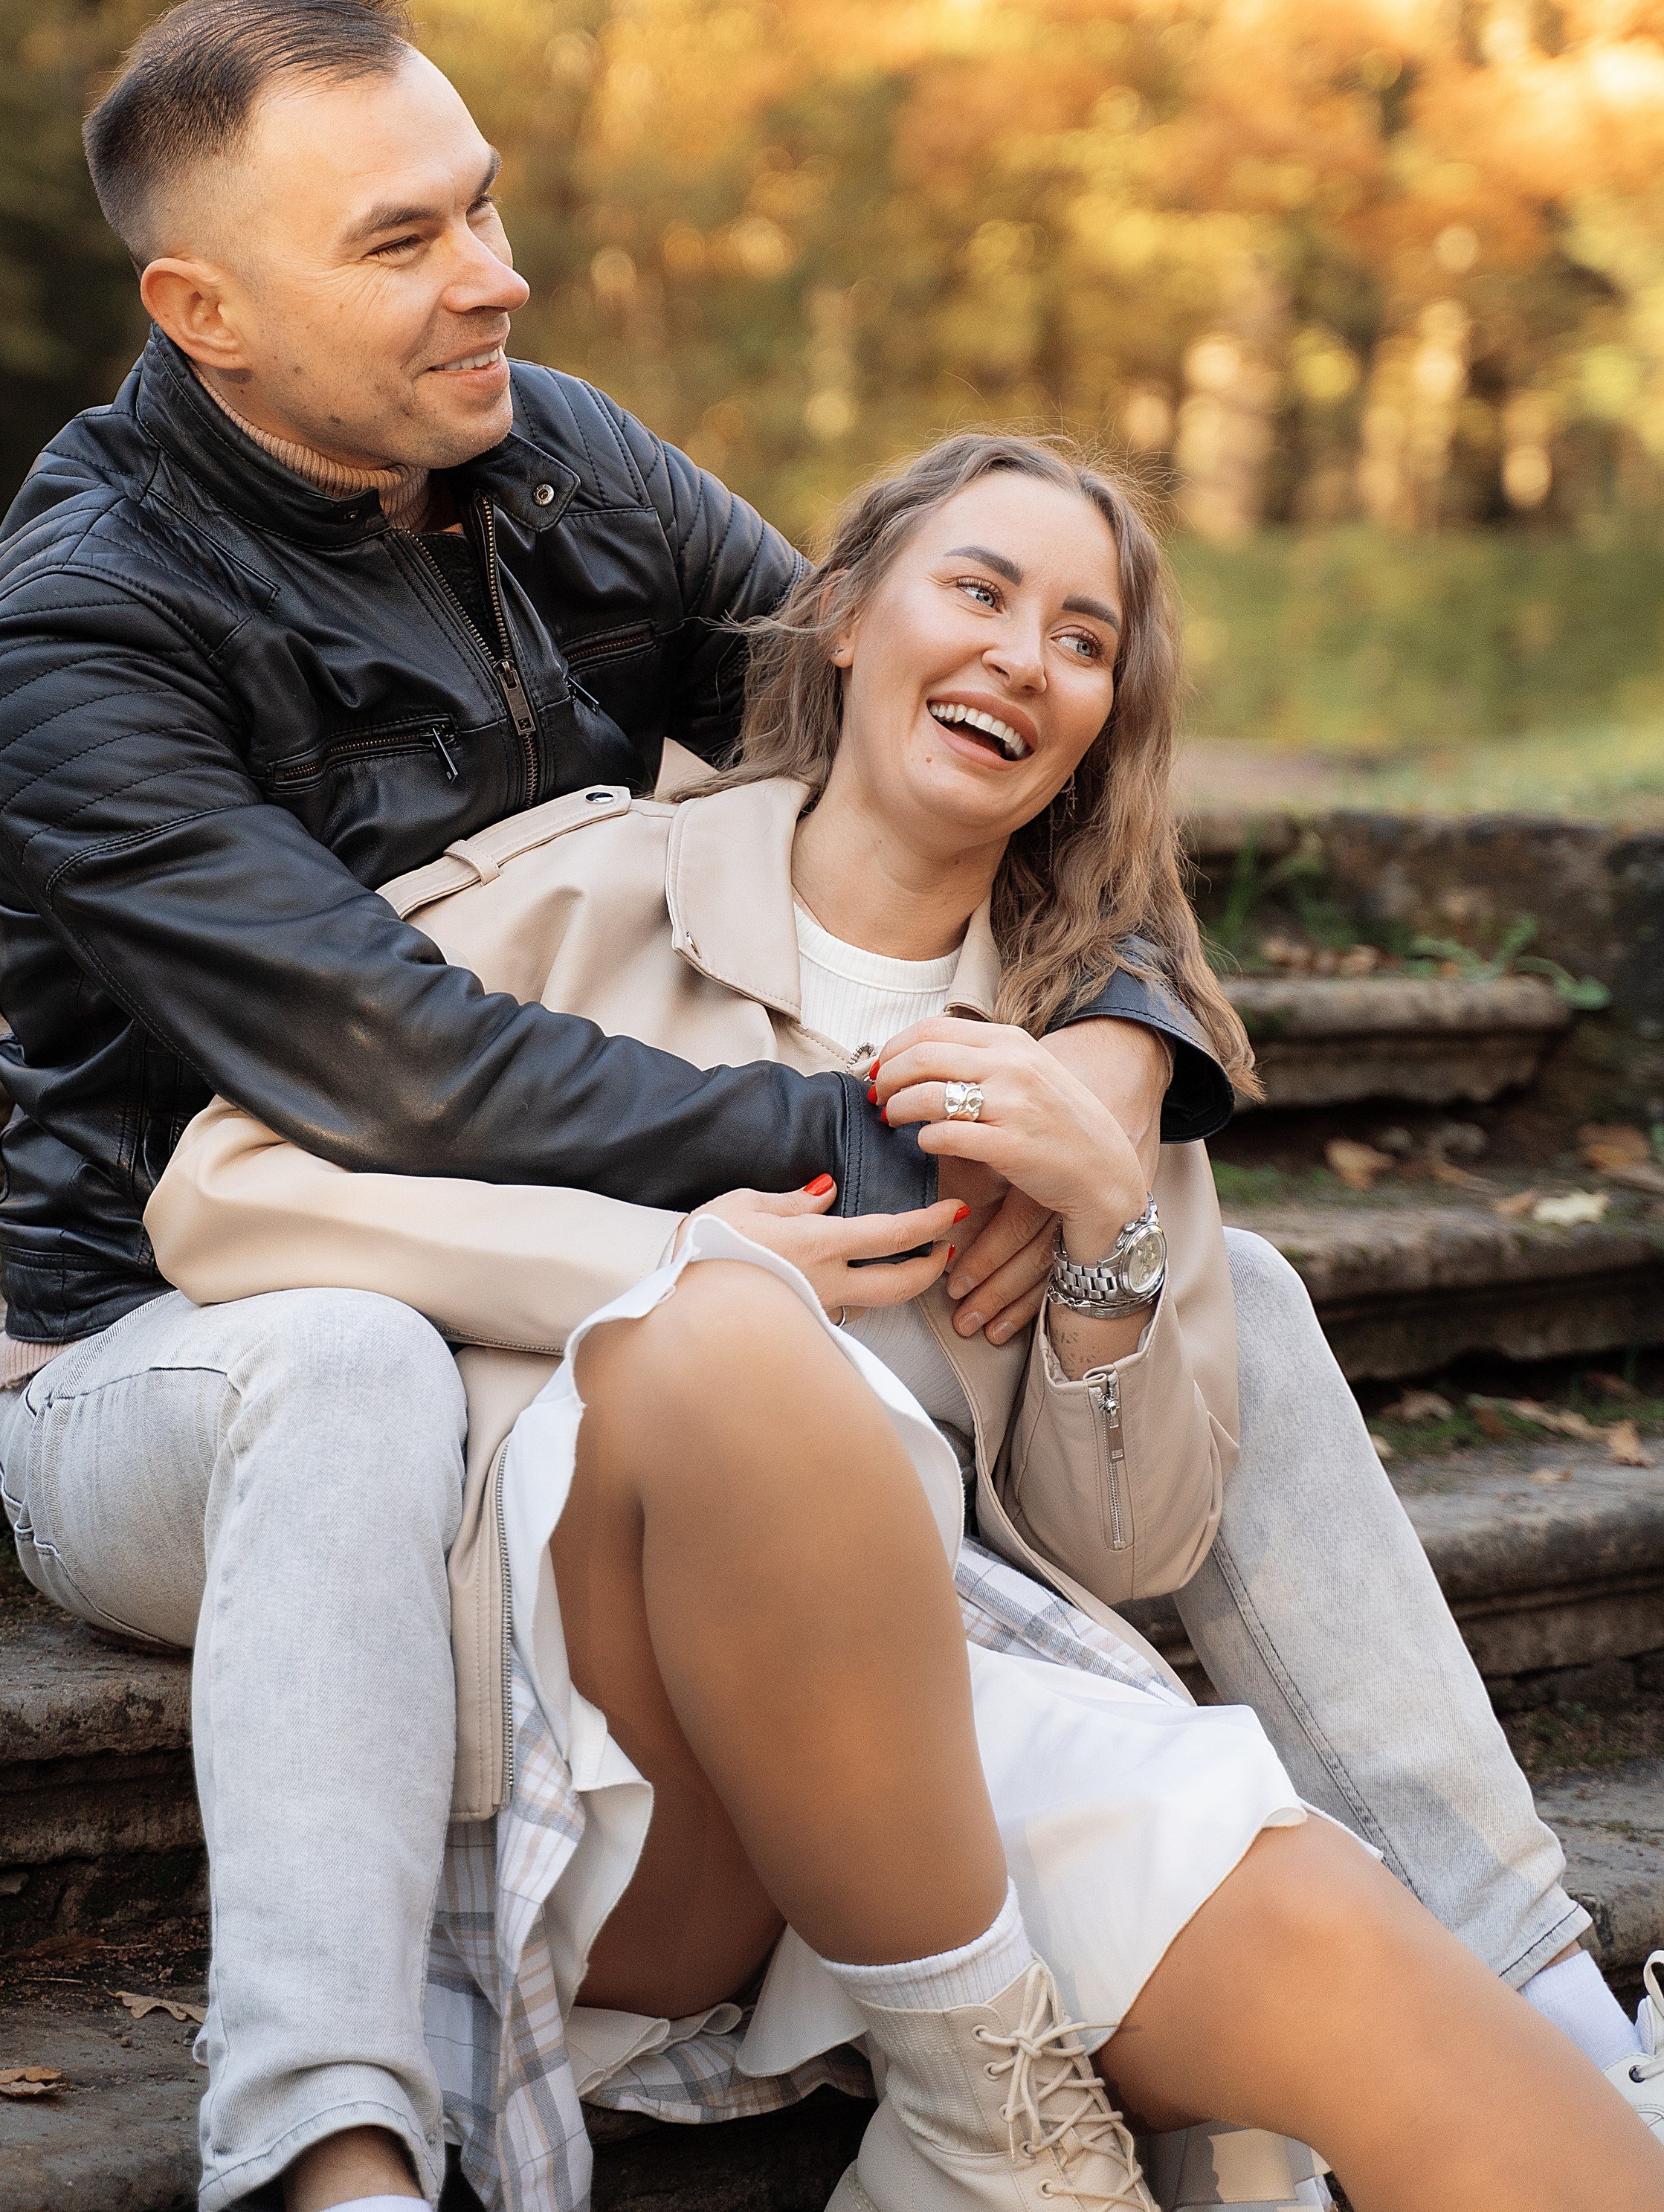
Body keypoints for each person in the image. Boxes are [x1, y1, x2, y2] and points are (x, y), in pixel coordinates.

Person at [0, 0, 1635, 2212]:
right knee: (355, 1363)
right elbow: (387, 1056)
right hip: (207, 1321)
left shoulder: (546, 451)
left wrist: (1098, 1074)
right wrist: (878, 1137)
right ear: (203, 307)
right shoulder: (86, 632)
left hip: (595, 1298)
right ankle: (329, 2143)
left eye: (482, 207)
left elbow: (938, 710)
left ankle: (1542, 2001)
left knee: (1249, 1314)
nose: (492, 277)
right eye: (399, 243)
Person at [142, 433, 1664, 2212]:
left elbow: (1126, 1538)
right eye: (981, 590)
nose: (1026, 655)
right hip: (621, 1737)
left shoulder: (1078, 1050)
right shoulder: (581, 891)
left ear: (1100, 718)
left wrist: (1104, 1228)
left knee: (1438, 2049)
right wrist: (668, 1263)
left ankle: (1539, 2040)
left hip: (944, 1715)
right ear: (847, 619)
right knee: (729, 1339)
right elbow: (221, 1189)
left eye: (1082, 638)